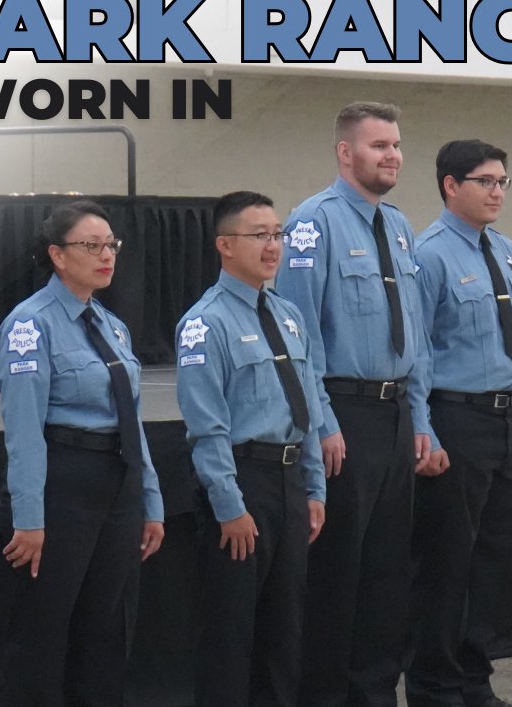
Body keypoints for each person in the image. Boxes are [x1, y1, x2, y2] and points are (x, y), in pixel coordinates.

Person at [274, 101, 434, 705]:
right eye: (377, 146)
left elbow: (412, 332)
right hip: (342, 415)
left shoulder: (396, 224)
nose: (391, 155)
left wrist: (419, 417)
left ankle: (373, 694)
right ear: (346, 153)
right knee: (338, 576)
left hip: (394, 419)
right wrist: (322, 421)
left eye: (395, 145)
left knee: (387, 573)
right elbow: (299, 336)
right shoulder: (313, 224)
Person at [0, 200, 165, 705]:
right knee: (43, 631)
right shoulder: (31, 326)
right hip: (63, 483)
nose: (106, 255)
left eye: (111, 244)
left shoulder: (112, 326)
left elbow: (132, 420)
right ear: (57, 255)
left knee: (106, 629)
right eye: (91, 246)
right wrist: (29, 517)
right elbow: (23, 432)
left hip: (118, 482)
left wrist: (149, 499)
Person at [176, 191, 326, 706]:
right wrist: (229, 506)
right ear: (224, 244)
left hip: (287, 484)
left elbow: (304, 406)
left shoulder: (287, 314)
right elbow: (206, 427)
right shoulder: (206, 323)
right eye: (258, 235)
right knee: (230, 636)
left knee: (284, 634)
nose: (273, 245)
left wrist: (314, 488)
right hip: (242, 485)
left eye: (278, 234)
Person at [405, 139, 512, 707]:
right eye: (485, 181)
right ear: (450, 186)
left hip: (508, 422)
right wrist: (426, 430)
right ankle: (435, 687)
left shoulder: (508, 251)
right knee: (447, 564)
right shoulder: (429, 253)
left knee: (491, 562)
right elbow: (417, 350)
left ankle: (474, 679)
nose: (497, 192)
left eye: (503, 181)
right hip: (456, 418)